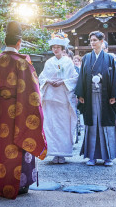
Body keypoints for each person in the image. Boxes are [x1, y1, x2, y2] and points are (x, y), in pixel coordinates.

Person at [0, 21, 47, 200]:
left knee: (3, 145)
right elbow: (33, 94)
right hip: (21, 111)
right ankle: (21, 185)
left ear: (5, 41)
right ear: (19, 42)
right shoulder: (23, 63)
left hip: (2, 112)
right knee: (22, 140)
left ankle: (2, 183)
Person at [75, 30, 116, 167]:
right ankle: (92, 156)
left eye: (95, 40)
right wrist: (81, 94)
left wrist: (114, 96)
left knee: (106, 124)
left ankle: (108, 157)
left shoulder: (110, 59)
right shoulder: (87, 58)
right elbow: (82, 77)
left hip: (106, 96)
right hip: (90, 96)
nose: (92, 43)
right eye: (91, 40)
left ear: (102, 42)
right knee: (92, 124)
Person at [39, 32, 78, 164]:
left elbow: (74, 78)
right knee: (51, 125)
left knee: (63, 126)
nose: (55, 49)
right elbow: (41, 77)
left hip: (62, 98)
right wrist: (48, 81)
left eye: (58, 47)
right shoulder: (49, 62)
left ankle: (63, 153)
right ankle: (54, 153)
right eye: (54, 47)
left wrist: (63, 82)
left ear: (62, 49)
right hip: (50, 98)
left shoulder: (68, 62)